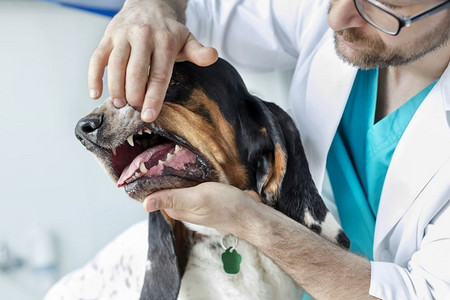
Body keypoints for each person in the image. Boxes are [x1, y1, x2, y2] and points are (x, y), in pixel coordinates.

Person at [78, 0, 449, 299]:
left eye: (384, 4)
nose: (334, 17)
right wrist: (151, 6)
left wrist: (248, 221)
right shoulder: (330, 11)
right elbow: (201, 13)